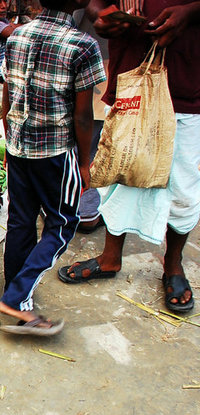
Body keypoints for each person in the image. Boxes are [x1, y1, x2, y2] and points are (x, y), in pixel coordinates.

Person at [57, 0, 200, 313]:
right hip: (130, 76)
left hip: (187, 78)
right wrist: (101, 17)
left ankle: (173, 265)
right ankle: (110, 257)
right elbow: (95, 5)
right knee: (117, 170)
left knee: (184, 185)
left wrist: (190, 12)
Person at [0, 0, 106, 335]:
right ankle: (15, 299)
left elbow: (7, 98)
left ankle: (15, 292)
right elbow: (84, 116)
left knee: (21, 220)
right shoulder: (83, 45)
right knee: (62, 224)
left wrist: (9, 141)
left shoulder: (17, 36)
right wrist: (85, 163)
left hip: (19, 147)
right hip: (55, 152)